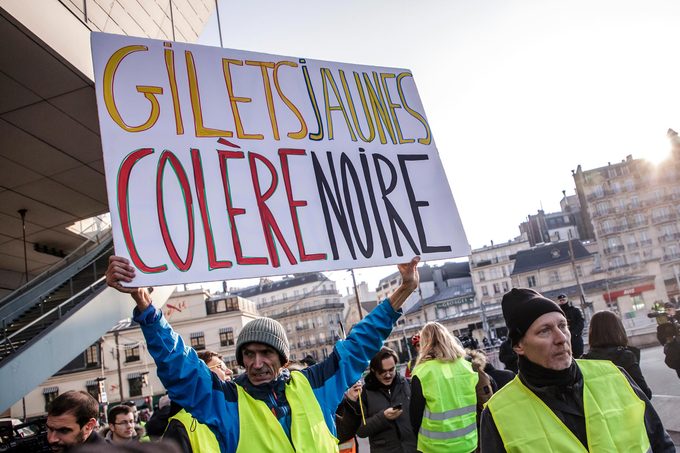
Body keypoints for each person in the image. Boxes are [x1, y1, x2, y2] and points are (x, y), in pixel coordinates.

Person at [105, 255, 420, 453]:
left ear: (284, 359)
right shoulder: (226, 401)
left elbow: (359, 344)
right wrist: (146, 308)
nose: (257, 363)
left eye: (267, 353)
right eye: (249, 354)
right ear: (240, 360)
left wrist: (403, 290)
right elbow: (180, 365)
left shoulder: (314, 386)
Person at [480, 288, 674, 452]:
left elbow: (661, 443)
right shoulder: (498, 413)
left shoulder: (614, 375)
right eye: (544, 331)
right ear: (519, 346)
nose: (561, 338)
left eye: (562, 326)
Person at [410, 322, 490, 453]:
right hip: (468, 442)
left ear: (425, 343)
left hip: (434, 447)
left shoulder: (421, 372)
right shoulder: (467, 366)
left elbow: (415, 416)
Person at [349, 347, 416, 453]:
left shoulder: (408, 385)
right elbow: (361, 430)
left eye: (391, 370)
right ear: (373, 370)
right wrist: (383, 417)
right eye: (382, 372)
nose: (388, 375)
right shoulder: (364, 393)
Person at [162, 350, 229, 452]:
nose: (229, 372)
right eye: (220, 367)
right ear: (202, 374)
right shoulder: (180, 425)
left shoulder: (231, 413)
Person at [581, 310, 652, 399]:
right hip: (629, 411)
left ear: (592, 332)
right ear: (618, 329)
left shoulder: (584, 361)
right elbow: (644, 393)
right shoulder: (626, 356)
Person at [556, 293, 585, 358]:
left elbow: (581, 322)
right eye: (560, 300)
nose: (562, 301)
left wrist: (575, 333)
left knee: (579, 356)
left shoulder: (575, 310)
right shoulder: (558, 312)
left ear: (567, 300)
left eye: (563, 299)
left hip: (575, 337)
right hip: (564, 339)